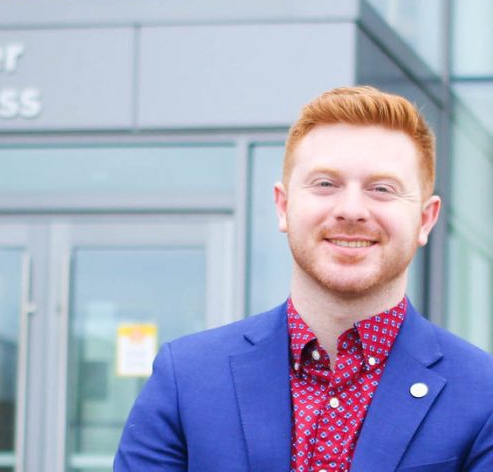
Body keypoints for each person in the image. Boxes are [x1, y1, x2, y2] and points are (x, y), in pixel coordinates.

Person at [114, 86, 493, 471]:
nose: (351, 210)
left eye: (382, 189)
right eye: (326, 184)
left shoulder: (484, 395)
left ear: (425, 219)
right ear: (284, 206)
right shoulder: (186, 378)